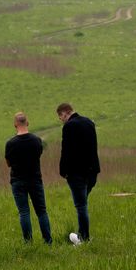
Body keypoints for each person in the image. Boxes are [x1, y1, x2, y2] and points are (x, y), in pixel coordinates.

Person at [5, 111, 52, 244]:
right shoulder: (36, 141)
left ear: (15, 124)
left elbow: (8, 163)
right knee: (42, 211)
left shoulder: (10, 143)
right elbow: (38, 155)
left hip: (18, 181)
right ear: (27, 123)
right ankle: (48, 241)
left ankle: (28, 242)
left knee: (24, 212)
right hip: (35, 179)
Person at [57, 102, 100, 243]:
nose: (60, 120)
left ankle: (84, 238)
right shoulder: (89, 122)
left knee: (81, 206)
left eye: (60, 116)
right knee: (83, 203)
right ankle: (81, 233)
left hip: (76, 173)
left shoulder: (69, 126)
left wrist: (63, 171)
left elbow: (66, 151)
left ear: (65, 113)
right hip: (92, 171)